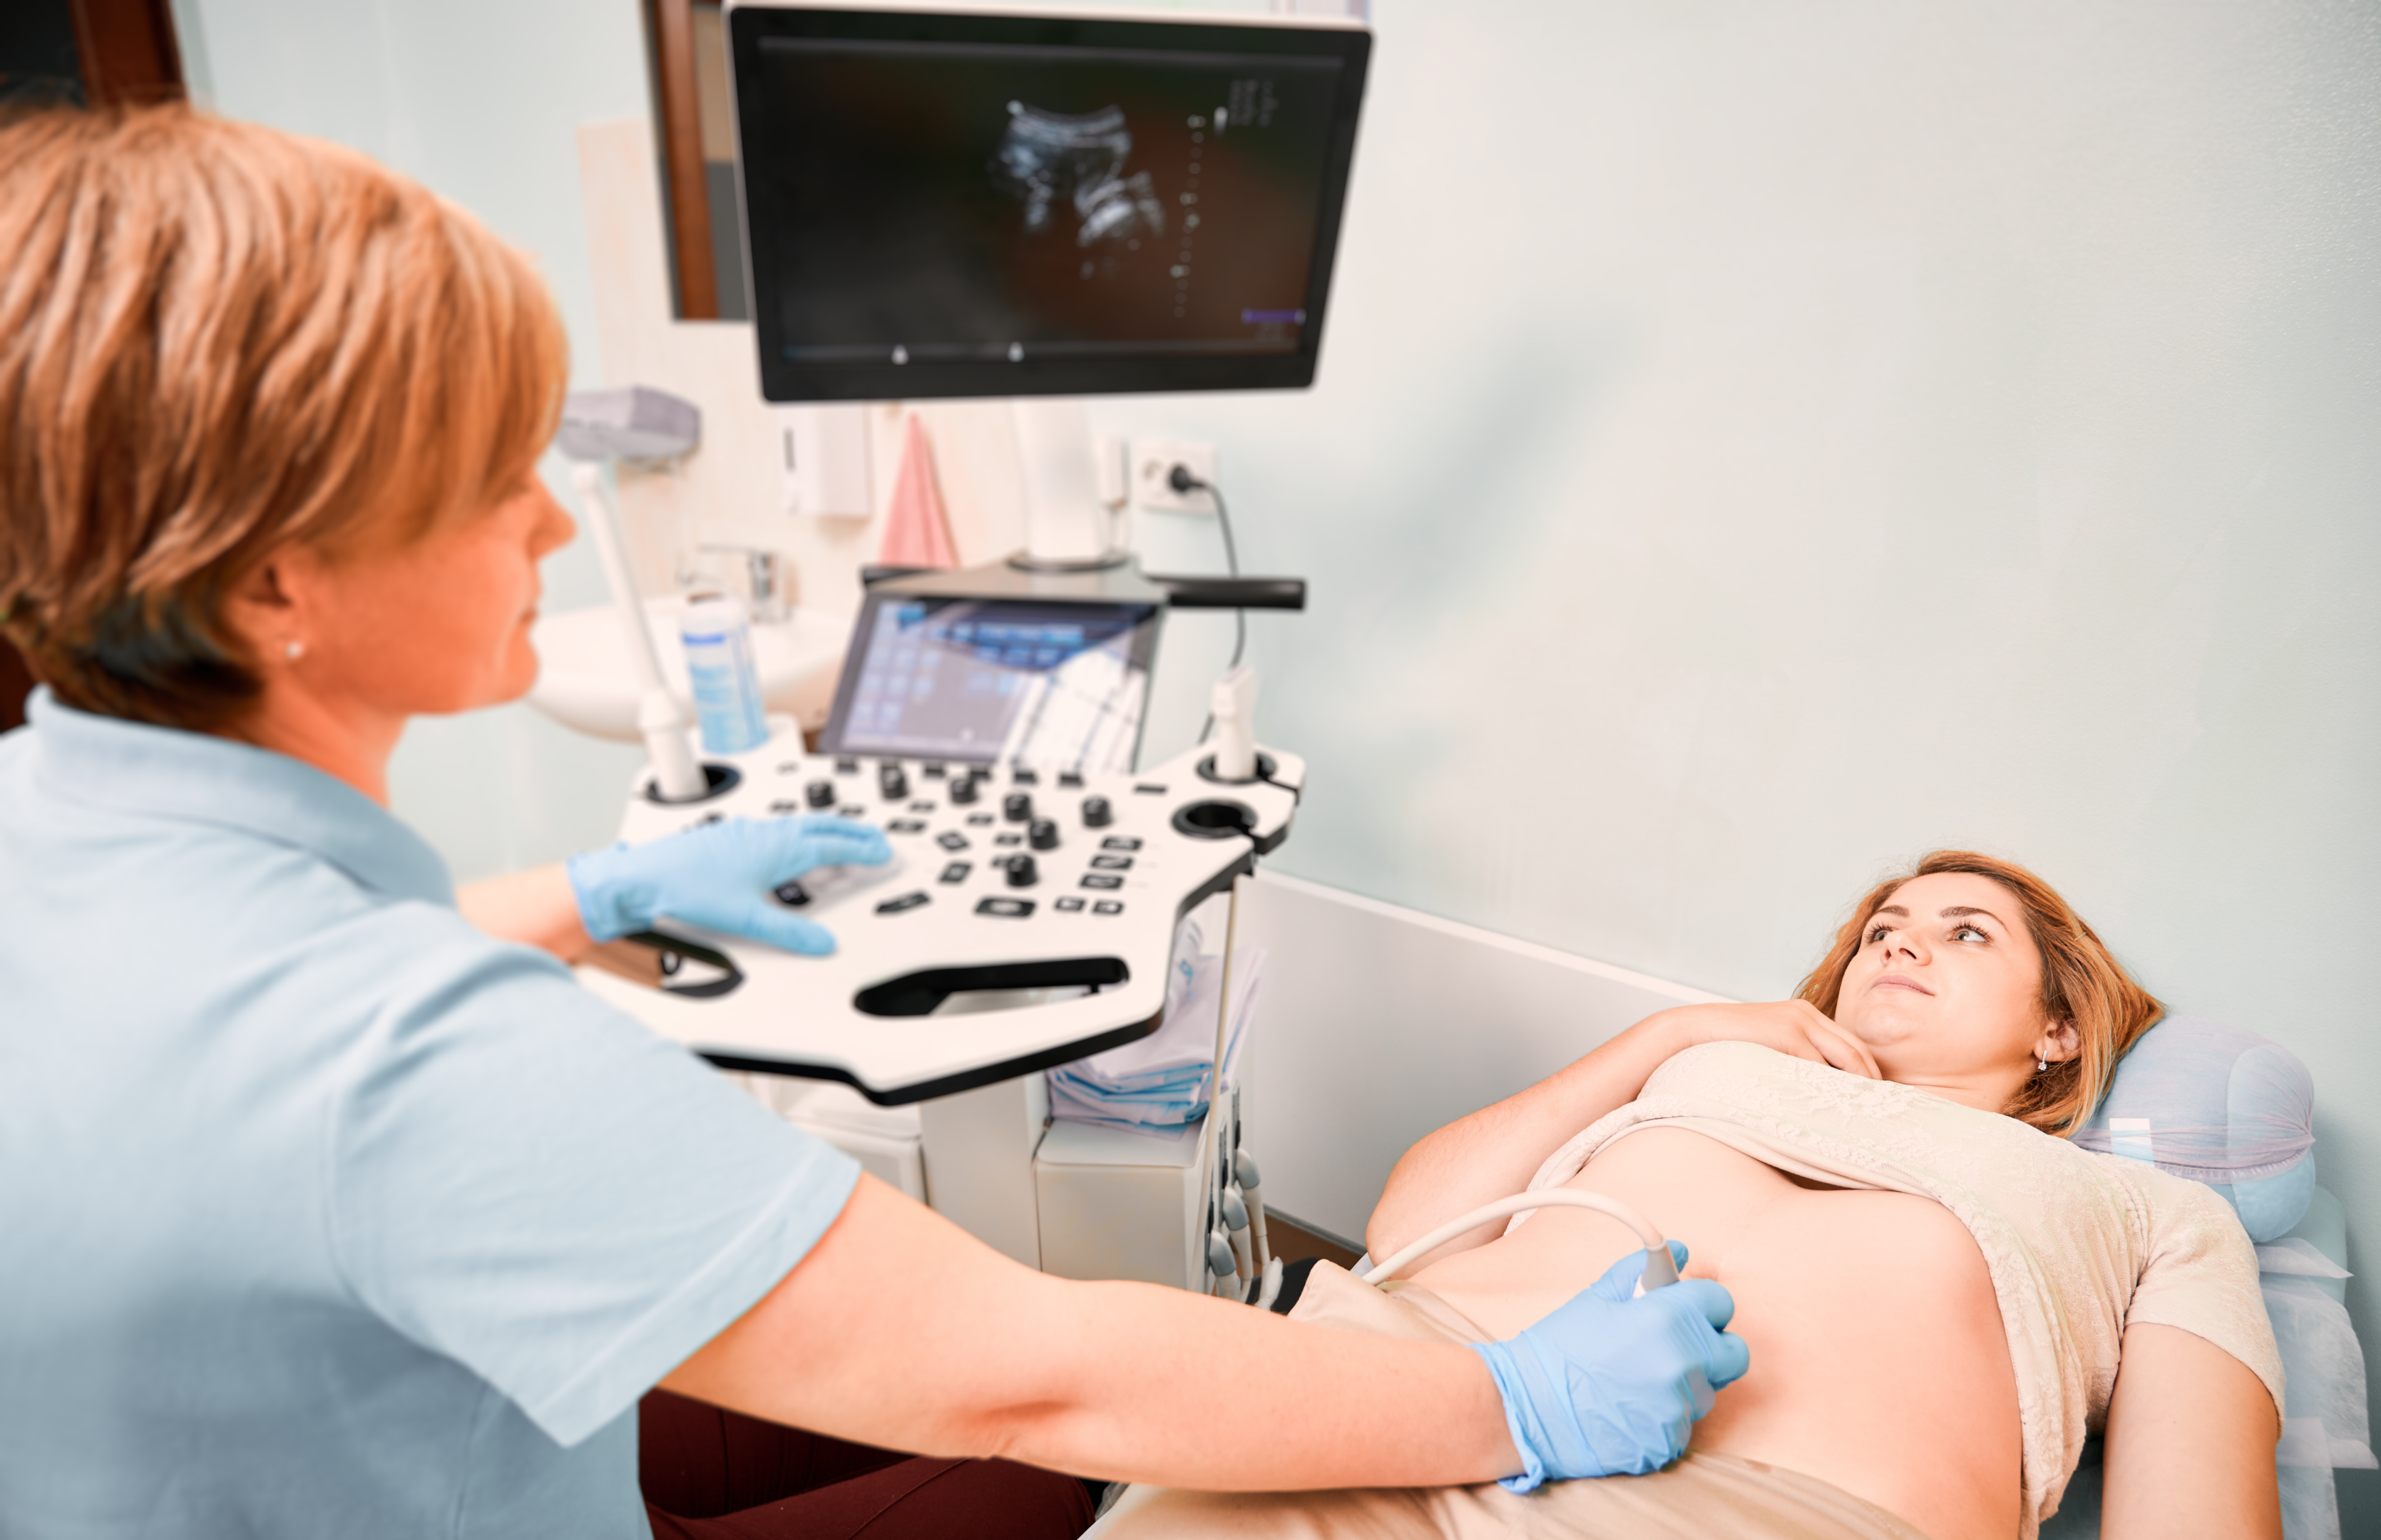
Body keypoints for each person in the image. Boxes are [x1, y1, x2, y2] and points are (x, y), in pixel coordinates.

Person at [0, 106, 1748, 1539]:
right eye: (482, 481)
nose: (547, 524)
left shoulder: (51, 832)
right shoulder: (405, 1065)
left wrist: (595, 889)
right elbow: (1031, 1371)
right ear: (274, 584)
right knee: (1078, 1449)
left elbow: (258, 1020)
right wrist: (1505, 1399)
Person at [1095, 851, 2285, 1540]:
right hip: (1389, 1398)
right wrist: (1660, 1036)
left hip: (1767, 1510)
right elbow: (1406, 1233)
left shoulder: (2149, 1210)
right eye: (1882, 929)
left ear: (2060, 1033)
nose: (1898, 946)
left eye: (1963, 933)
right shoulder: (1708, 1068)